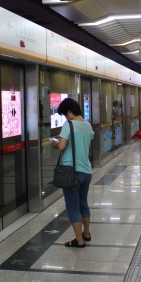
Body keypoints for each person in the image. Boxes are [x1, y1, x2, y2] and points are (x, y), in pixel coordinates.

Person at [51, 98, 94, 248]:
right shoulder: (88, 126)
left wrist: (55, 144)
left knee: (72, 206)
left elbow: (62, 146)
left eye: (65, 114)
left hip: (71, 172)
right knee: (83, 203)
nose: (65, 117)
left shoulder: (68, 125)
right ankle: (86, 233)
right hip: (86, 171)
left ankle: (79, 240)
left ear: (69, 112)